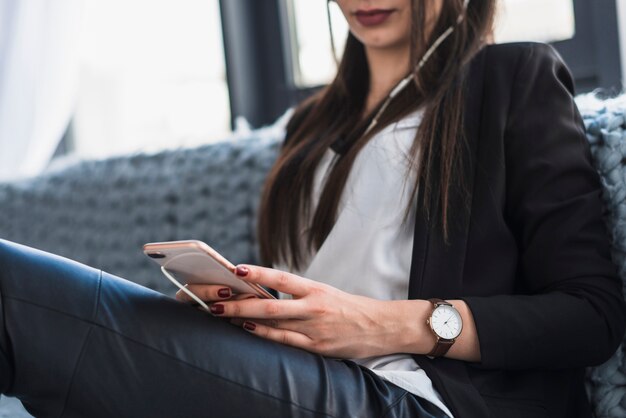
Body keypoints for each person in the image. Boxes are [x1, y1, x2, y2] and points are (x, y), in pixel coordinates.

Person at [0, 0, 624, 417]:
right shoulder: (310, 126)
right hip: (296, 376)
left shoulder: (511, 77)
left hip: (415, 398)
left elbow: (590, 315)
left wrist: (382, 324)